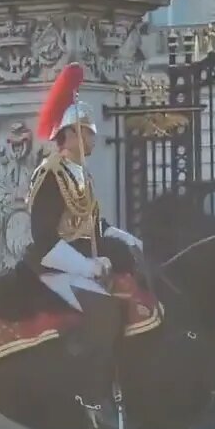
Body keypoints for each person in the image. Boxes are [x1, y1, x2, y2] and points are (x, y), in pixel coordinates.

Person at [25, 63, 143, 311]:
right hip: (56, 267)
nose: (93, 139)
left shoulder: (81, 174)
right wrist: (85, 266)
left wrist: (123, 237)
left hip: (85, 259)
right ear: (69, 133)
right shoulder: (51, 173)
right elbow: (44, 236)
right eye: (87, 133)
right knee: (103, 311)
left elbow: (89, 222)